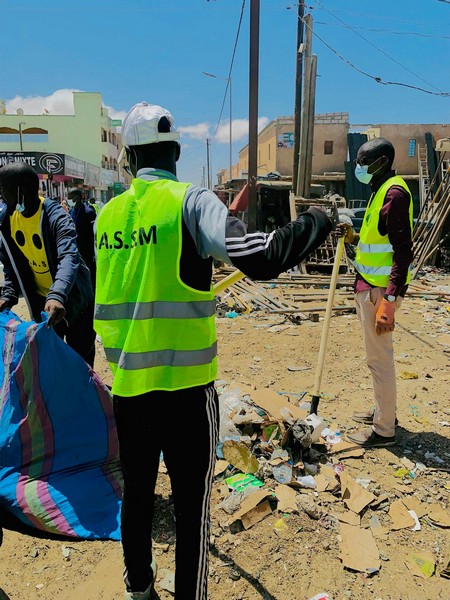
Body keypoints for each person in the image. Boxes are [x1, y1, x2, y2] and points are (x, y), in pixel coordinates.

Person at [94, 101, 333, 600]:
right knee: (191, 509)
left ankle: (138, 587)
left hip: (129, 391)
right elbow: (260, 256)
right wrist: (317, 220)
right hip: (186, 394)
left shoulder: (106, 217)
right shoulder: (191, 201)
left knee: (137, 497)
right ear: (178, 152)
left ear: (129, 158)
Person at [339, 137, 413, 448]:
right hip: (369, 285)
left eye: (363, 162)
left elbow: (403, 251)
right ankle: (384, 412)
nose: (358, 167)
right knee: (377, 358)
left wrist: (390, 302)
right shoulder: (379, 190)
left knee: (379, 359)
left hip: (379, 291)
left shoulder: (394, 194)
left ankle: (384, 431)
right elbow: (378, 241)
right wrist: (353, 237)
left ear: (381, 162)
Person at [0, 163, 96, 367]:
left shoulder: (56, 216)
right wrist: (7, 295)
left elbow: (69, 256)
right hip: (44, 305)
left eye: (3, 189)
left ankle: (84, 387)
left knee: (81, 358)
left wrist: (57, 294)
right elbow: (11, 264)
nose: (1, 195)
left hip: (74, 300)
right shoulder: (6, 220)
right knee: (50, 358)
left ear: (21, 190)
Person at [68, 188, 97, 285]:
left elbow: (94, 234)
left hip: (88, 252)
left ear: (78, 198)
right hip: (76, 251)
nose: (69, 201)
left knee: (90, 277)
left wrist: (93, 253)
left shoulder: (89, 212)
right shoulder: (71, 211)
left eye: (71, 198)